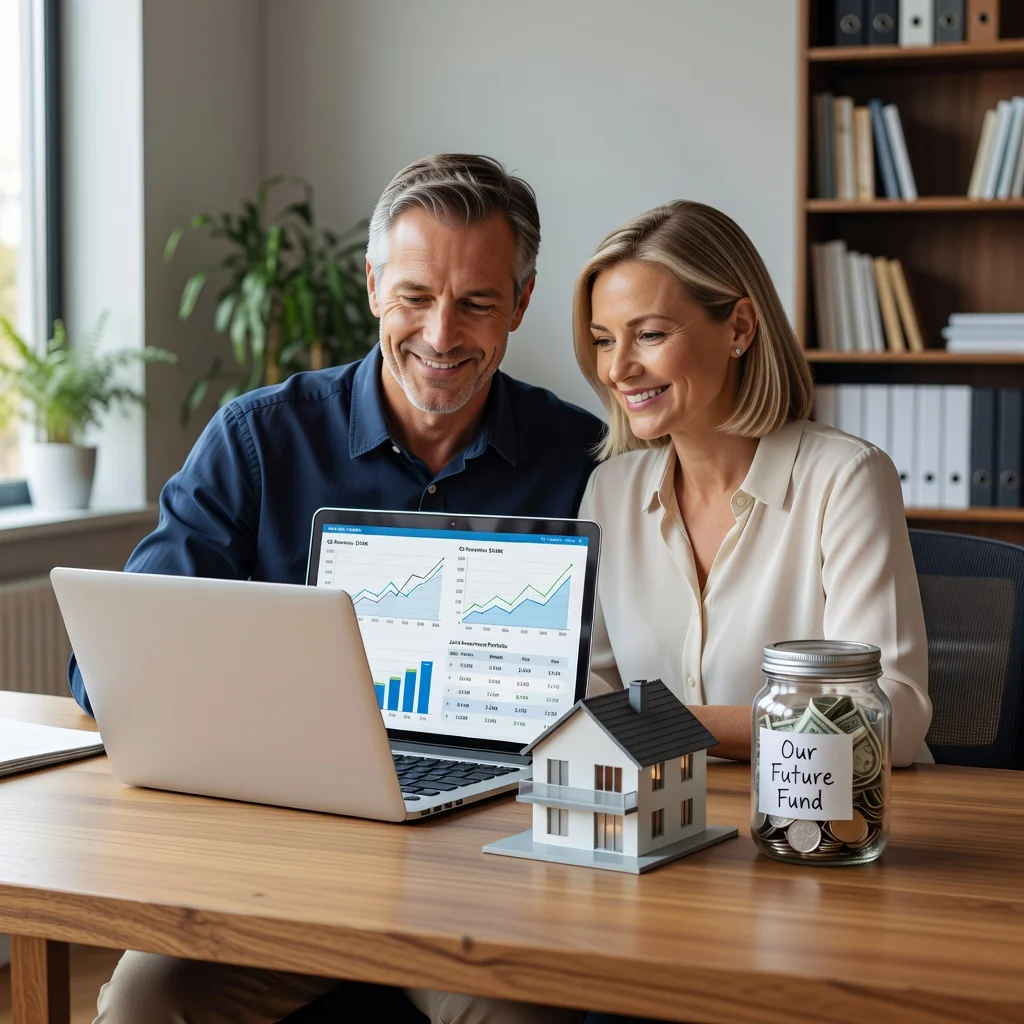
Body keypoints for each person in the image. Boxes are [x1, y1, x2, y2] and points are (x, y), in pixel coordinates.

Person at [76, 154, 599, 1024]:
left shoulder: (585, 462)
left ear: (522, 303)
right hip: (281, 863)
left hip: (489, 868)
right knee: (143, 1001)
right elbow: (116, 669)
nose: (440, 334)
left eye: (476, 302)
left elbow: (628, 682)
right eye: (414, 296)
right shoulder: (257, 440)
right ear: (370, 287)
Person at [574, 200, 932, 1024]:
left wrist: (669, 722)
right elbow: (585, 705)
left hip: (824, 861)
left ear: (738, 327)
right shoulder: (610, 490)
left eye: (649, 333)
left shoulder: (845, 479)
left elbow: (897, 721)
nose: (617, 367)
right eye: (602, 339)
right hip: (664, 852)